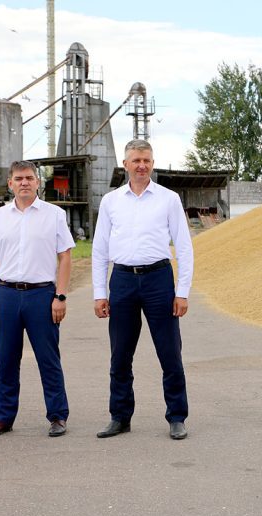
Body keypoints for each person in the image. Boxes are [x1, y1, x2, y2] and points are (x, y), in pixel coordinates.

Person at [92, 139, 194, 440]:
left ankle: (177, 416)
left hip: (158, 280)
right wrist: (100, 292)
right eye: (136, 160)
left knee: (169, 352)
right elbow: (99, 249)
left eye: (147, 160)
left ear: (152, 163)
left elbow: (184, 248)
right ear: (125, 164)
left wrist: (182, 291)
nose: (141, 166)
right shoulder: (111, 202)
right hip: (122, 280)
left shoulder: (168, 199)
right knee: (120, 354)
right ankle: (120, 416)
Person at [0, 161, 74, 438]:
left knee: (48, 358)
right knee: (7, 358)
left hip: (41, 295)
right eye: (18, 178)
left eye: (29, 178)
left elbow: (65, 256)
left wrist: (61, 296)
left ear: (38, 182)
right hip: (6, 293)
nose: (24, 183)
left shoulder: (54, 215)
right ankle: (3, 418)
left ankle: (57, 416)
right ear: (10, 183)